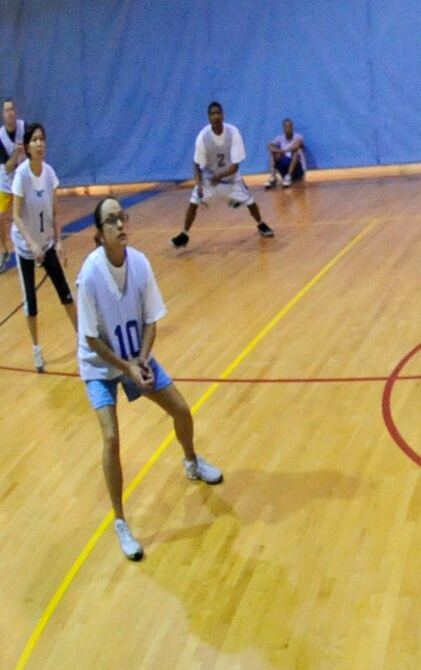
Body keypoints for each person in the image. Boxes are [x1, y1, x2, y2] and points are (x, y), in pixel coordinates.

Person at [76, 198, 225, 562]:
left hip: (135, 358)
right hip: (100, 366)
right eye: (111, 220)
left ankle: (190, 461)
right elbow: (92, 338)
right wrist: (125, 368)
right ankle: (121, 522)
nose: (120, 224)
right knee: (111, 438)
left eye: (121, 217)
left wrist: (141, 360)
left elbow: (151, 319)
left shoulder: (139, 263)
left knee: (182, 410)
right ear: (99, 235)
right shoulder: (91, 275)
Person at [12, 123, 76, 373]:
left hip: (46, 243)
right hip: (25, 247)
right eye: (35, 140)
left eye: (42, 139)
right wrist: (31, 244)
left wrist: (58, 242)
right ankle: (37, 349)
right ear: (27, 147)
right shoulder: (21, 176)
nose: (40, 143)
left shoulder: (49, 173)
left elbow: (56, 212)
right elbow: (16, 216)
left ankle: (85, 342)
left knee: (66, 293)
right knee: (31, 302)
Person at [170, 102, 275, 248]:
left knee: (251, 203)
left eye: (218, 113)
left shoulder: (233, 133)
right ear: (209, 117)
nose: (216, 116)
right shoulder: (203, 137)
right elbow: (196, 163)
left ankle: (261, 224)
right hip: (210, 179)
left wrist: (220, 176)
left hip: (230, 179)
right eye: (212, 114)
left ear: (223, 115)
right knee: (193, 203)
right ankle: (184, 234)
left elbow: (235, 166)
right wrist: (199, 184)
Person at [0, 99, 25, 214]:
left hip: (23, 180)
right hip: (6, 182)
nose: (10, 113)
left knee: (29, 215)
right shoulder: (1, 136)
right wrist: (17, 152)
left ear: (15, 112)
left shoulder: (24, 127)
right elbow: (7, 167)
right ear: (3, 115)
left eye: (12, 109)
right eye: (7, 110)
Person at [266, 119, 307, 189]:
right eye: (286, 127)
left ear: (292, 127)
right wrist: (277, 151)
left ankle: (289, 176)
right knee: (273, 153)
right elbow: (269, 146)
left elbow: (296, 146)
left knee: (295, 152)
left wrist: (281, 151)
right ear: (283, 128)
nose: (288, 129)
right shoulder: (279, 138)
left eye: (290, 127)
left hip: (297, 170)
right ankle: (273, 177)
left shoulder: (298, 137)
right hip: (285, 167)